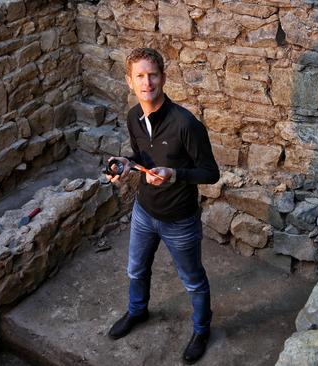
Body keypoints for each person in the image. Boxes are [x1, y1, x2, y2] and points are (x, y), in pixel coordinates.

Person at [105, 47, 220, 364]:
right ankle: (137, 312)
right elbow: (142, 158)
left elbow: (211, 173)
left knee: (193, 280)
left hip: (180, 220)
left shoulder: (186, 124)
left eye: (152, 74)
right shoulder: (133, 117)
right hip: (144, 211)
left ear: (163, 78)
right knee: (136, 269)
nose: (147, 82)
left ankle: (201, 330)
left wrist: (175, 175)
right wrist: (127, 165)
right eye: (139, 76)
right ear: (130, 81)